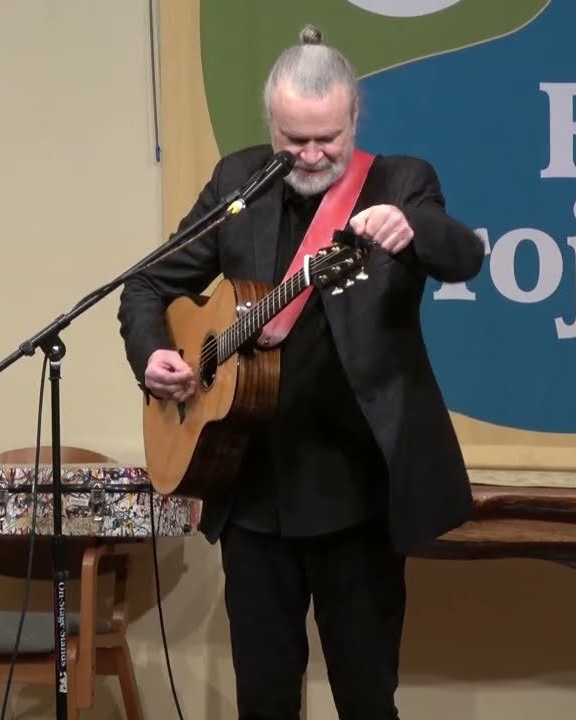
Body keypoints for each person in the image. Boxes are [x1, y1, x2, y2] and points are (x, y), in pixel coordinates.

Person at [116, 25, 484, 720]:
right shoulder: (238, 181)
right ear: (270, 125)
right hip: (251, 493)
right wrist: (154, 355)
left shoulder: (401, 181)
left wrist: (413, 228)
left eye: (327, 139)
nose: (312, 155)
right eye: (294, 140)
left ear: (354, 118)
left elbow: (464, 254)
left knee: (366, 699)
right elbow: (147, 285)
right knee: (263, 701)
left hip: (358, 498)